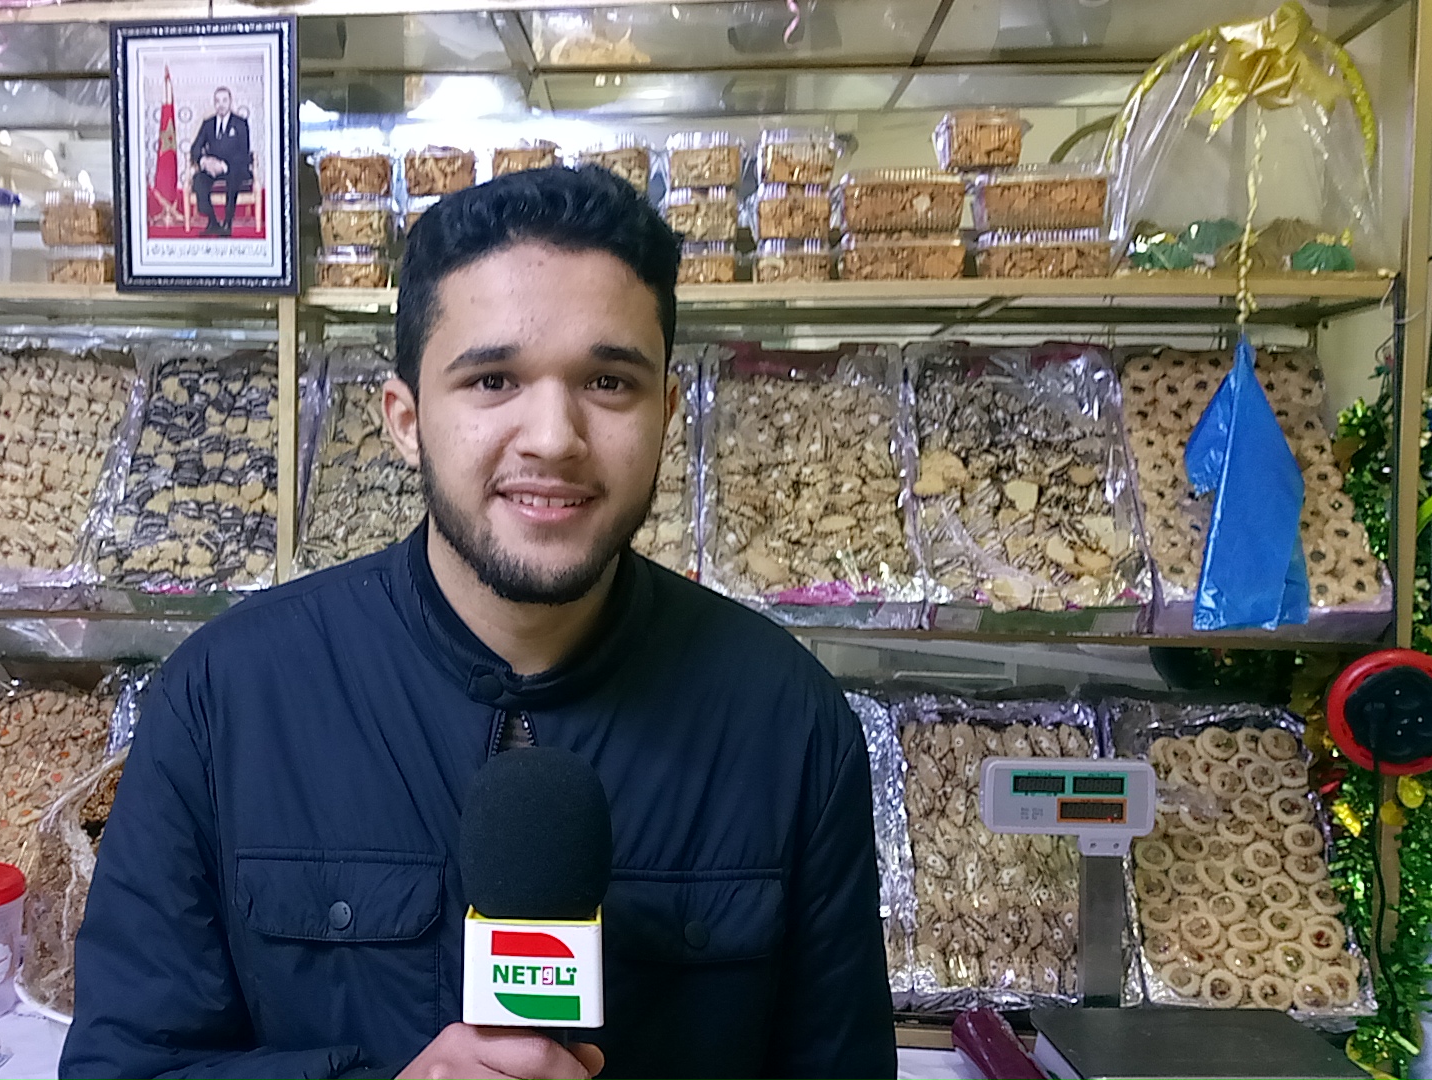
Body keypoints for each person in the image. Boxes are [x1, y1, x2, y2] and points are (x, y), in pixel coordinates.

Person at [61, 165, 896, 1080]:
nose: (554, 436)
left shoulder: (789, 724)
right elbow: (124, 1067)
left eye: (608, 381)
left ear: (666, 411)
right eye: (494, 379)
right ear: (405, 419)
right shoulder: (225, 701)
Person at [188, 86, 251, 237]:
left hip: (234, 168)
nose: (221, 104)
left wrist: (224, 166)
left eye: (224, 100)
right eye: (217, 101)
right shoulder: (208, 123)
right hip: (212, 168)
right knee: (199, 179)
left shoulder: (240, 123)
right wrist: (204, 161)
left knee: (234, 177)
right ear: (214, 103)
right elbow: (195, 148)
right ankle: (213, 222)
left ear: (230, 102)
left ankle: (227, 223)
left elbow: (244, 152)